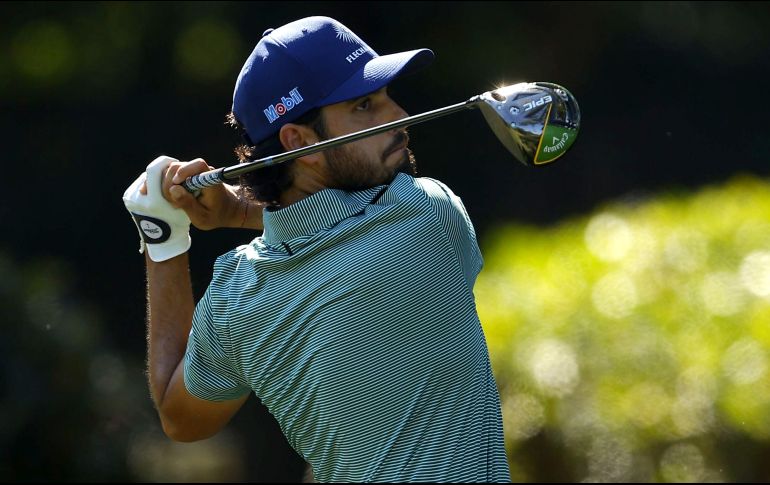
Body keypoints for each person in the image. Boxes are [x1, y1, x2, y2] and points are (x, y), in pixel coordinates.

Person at [123, 16, 511, 483]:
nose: (400, 117)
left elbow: (180, 418)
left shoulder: (236, 298)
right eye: (366, 105)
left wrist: (162, 238)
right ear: (299, 142)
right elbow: (343, 226)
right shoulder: (427, 217)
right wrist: (236, 212)